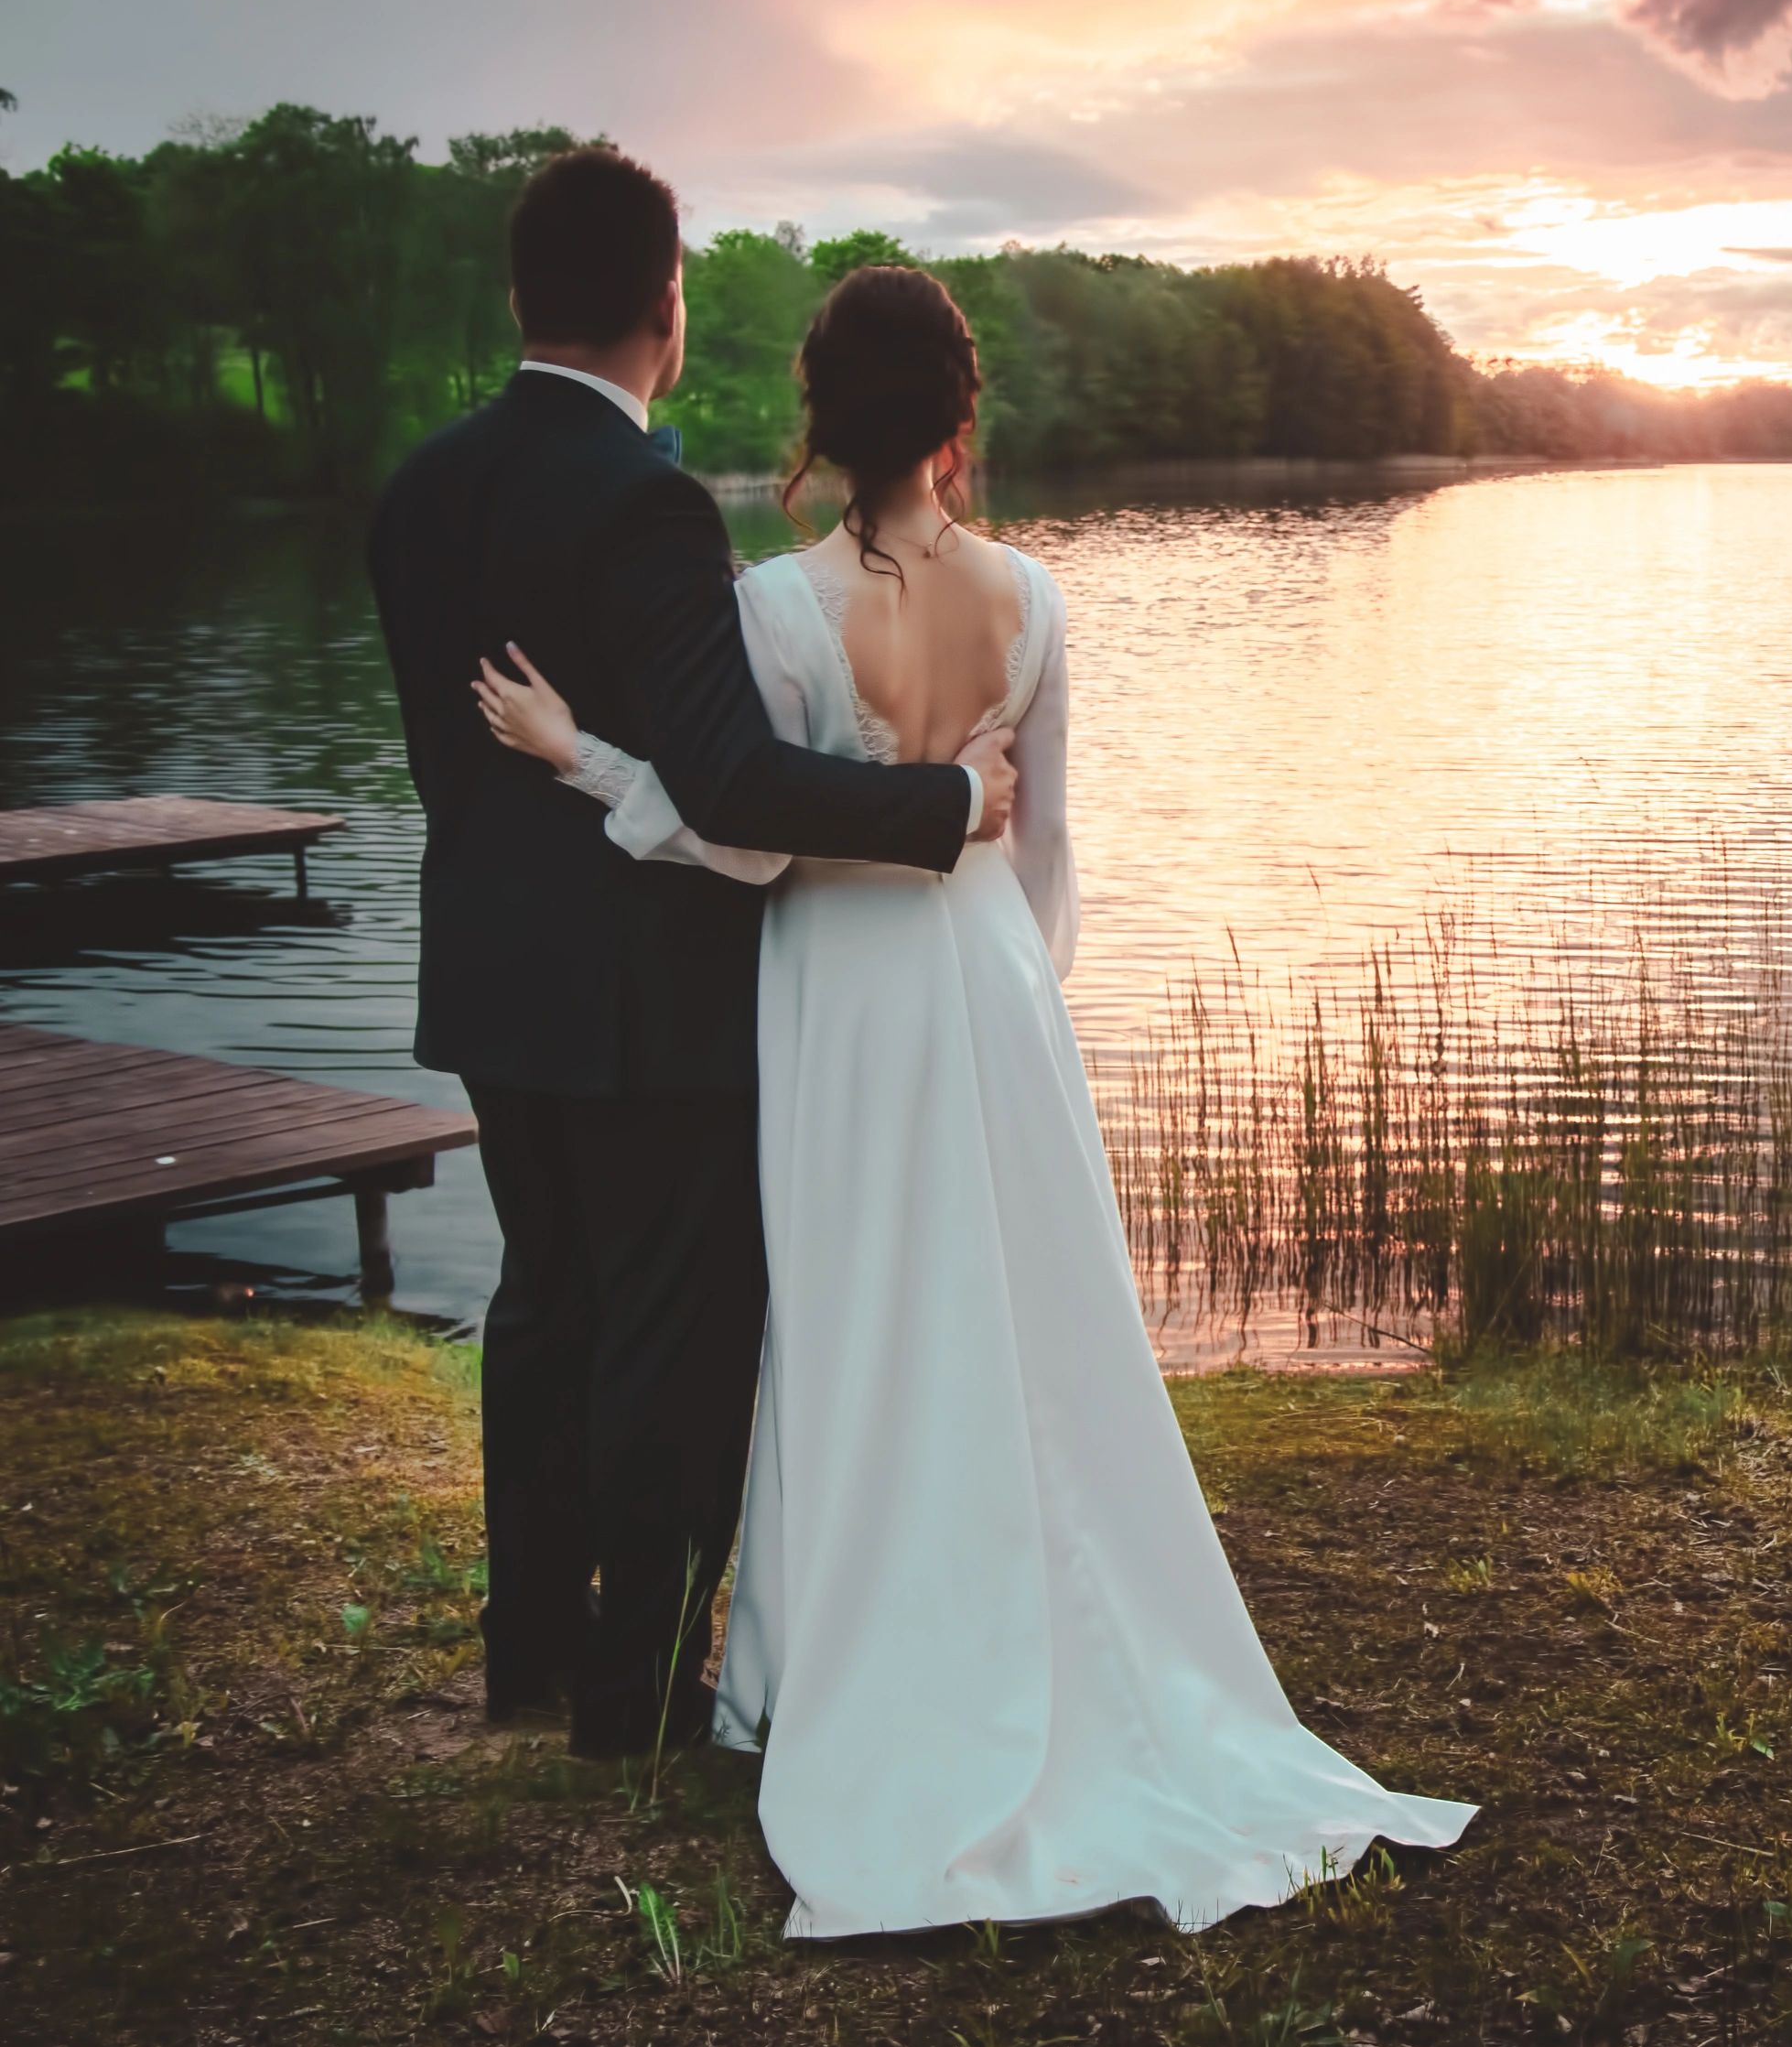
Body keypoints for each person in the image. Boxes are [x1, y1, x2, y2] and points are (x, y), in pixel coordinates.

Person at [473, 264, 1474, 1936]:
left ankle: (837, 1660)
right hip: (993, 986)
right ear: (959, 413)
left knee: (860, 1322)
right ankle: (1060, 1641)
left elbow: (746, 834)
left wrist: (578, 753)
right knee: (1024, 1326)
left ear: (817, 417)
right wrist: (1018, 987)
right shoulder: (1039, 599)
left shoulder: (775, 603)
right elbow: (1050, 848)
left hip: (844, 1000)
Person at [368, 149, 1016, 1760]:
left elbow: (447, 759)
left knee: (544, 1306)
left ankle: (525, 1661)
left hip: (496, 984)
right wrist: (943, 800)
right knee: (673, 1338)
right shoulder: (644, 502)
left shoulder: (420, 489)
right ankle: (635, 1697)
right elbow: (731, 782)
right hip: (653, 1001)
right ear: (665, 303)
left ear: (522, 296)